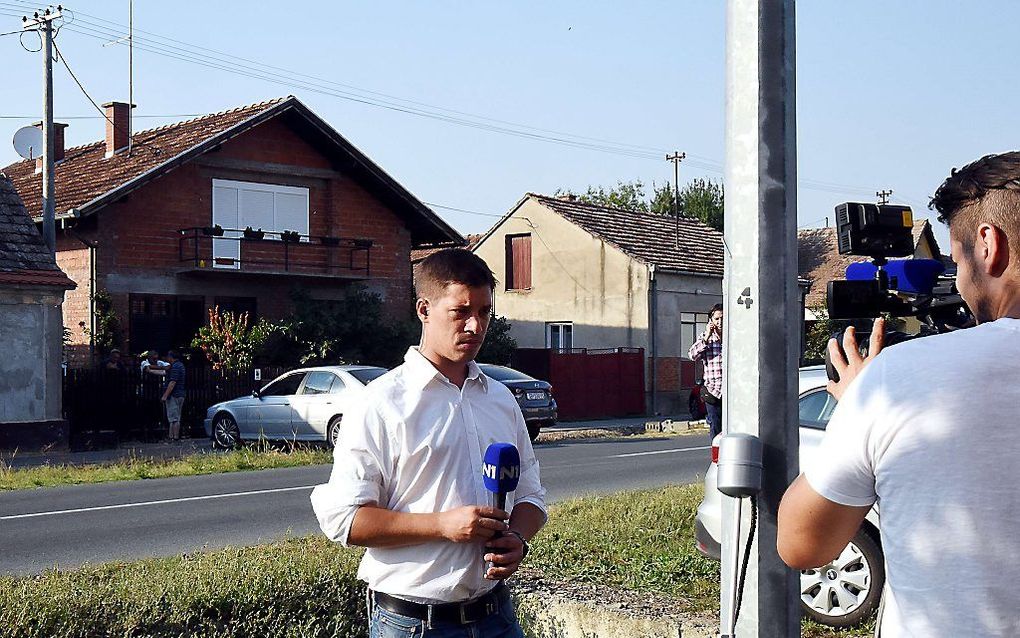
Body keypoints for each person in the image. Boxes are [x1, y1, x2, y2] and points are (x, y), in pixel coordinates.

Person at [777, 151, 1020, 637]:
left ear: (988, 245)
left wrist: (859, 405)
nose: (961, 282)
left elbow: (801, 544)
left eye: (955, 259)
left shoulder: (894, 382)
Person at [311, 248, 546, 638]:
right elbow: (344, 520)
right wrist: (442, 526)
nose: (475, 325)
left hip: (496, 616)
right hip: (413, 624)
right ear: (424, 310)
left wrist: (517, 538)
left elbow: (532, 497)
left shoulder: (501, 400)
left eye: (485, 312)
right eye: (461, 312)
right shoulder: (381, 402)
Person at [688, 303, 724, 439]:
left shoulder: (734, 337)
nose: (720, 322)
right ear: (711, 321)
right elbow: (692, 355)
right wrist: (706, 337)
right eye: (717, 319)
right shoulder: (706, 338)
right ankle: (717, 456)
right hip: (713, 390)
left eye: (723, 318)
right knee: (715, 425)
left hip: (732, 392)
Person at [161, 350, 186, 441]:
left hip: (174, 395)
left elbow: (172, 382)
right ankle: (171, 436)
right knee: (176, 417)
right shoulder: (181, 366)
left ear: (171, 357)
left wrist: (165, 395)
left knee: (173, 418)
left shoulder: (175, 367)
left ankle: (174, 437)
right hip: (180, 394)